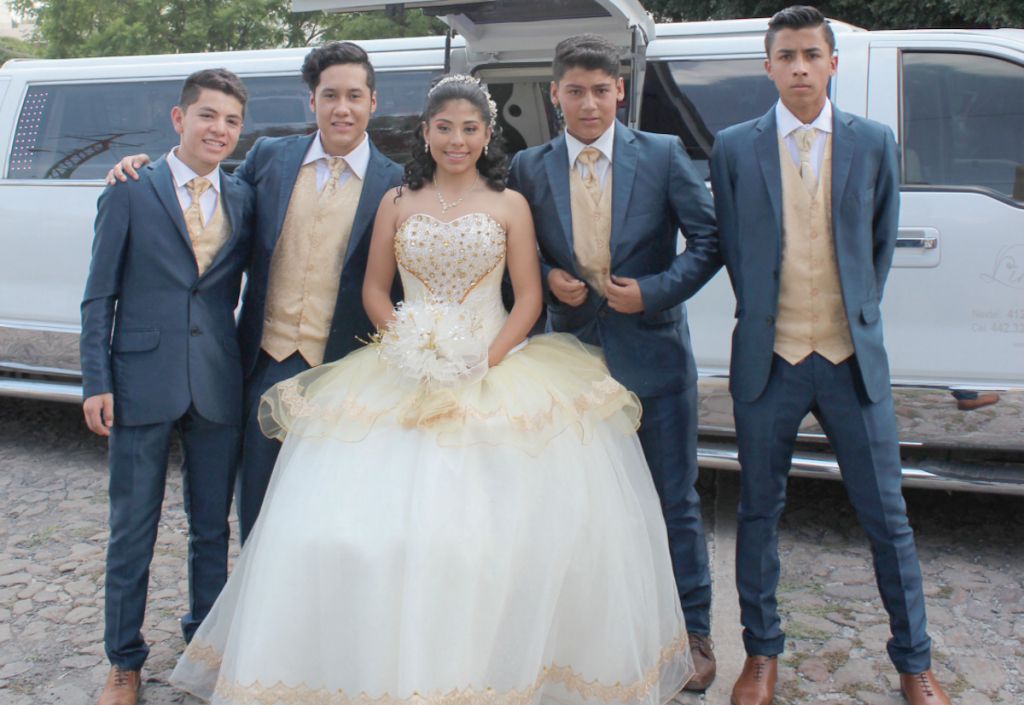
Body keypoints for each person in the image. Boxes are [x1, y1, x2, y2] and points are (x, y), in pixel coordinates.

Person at [168, 74, 695, 705]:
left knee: (500, 539)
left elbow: (529, 298)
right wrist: (409, 342)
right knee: (367, 531)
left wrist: (481, 362)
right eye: (444, 128)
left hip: (495, 371)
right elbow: (374, 289)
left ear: (487, 135)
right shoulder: (397, 200)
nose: (457, 140)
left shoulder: (510, 204)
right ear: (425, 132)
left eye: (470, 129)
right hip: (403, 367)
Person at [708, 7, 950, 705]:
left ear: (832, 63)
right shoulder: (734, 147)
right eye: (786, 56)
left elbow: (878, 244)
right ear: (768, 67)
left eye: (811, 54)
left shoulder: (873, 142)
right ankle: (761, 654)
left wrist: (853, 317)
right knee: (758, 513)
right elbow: (733, 244)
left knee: (888, 516)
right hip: (770, 360)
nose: (800, 67)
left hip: (850, 358)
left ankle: (914, 661)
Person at [108, 42, 404, 544]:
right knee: (256, 511)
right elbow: (206, 194)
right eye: (329, 95)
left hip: (343, 370)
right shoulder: (269, 156)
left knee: (332, 514)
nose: (342, 108)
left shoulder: (396, 183)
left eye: (354, 96)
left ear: (372, 102)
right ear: (312, 101)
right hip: (264, 363)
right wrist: (148, 168)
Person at [507, 34, 721, 691]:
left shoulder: (662, 154)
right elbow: (513, 250)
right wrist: (548, 276)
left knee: (673, 499)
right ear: (555, 94)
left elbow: (709, 239)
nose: (589, 103)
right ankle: (586, 637)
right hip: (569, 360)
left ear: (620, 91)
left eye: (601, 90)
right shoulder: (529, 167)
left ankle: (693, 631)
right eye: (575, 91)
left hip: (654, 355)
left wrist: (654, 290)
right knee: (577, 506)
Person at [80, 69, 254, 705]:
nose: (219, 129)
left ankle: (202, 650)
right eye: (208, 115)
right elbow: (99, 294)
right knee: (133, 529)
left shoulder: (244, 197)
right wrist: (96, 379)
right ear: (179, 119)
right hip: (139, 380)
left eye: (231, 121)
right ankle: (123, 662)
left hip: (216, 381)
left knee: (212, 528)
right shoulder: (131, 188)